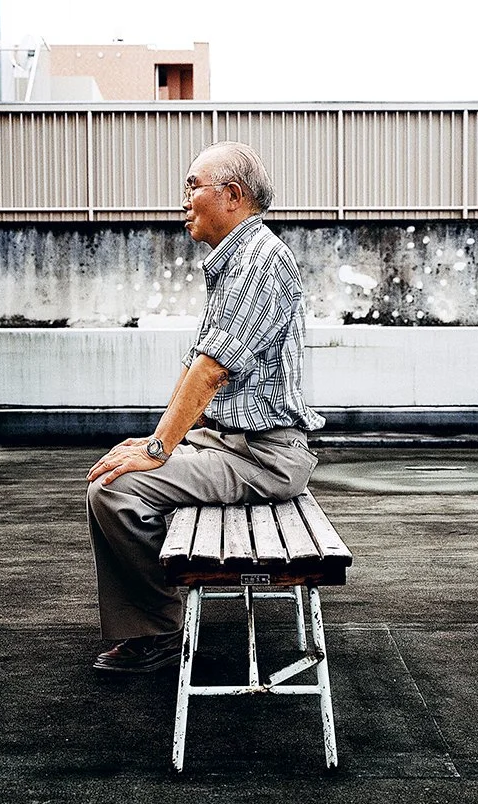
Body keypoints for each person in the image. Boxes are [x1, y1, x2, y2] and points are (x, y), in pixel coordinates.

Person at [84, 140, 325, 673]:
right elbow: (201, 368)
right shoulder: (237, 260)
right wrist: (154, 443)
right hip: (227, 442)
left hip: (262, 456)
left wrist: (158, 447)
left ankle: (160, 631)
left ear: (232, 196)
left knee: (114, 489)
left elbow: (211, 370)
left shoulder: (259, 261)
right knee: (116, 471)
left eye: (193, 186)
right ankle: (154, 621)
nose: (184, 200)